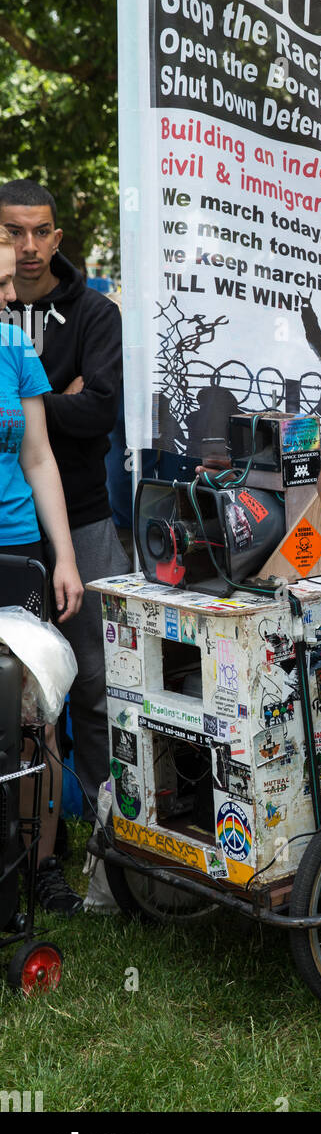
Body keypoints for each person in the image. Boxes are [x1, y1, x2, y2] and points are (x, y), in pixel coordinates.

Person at [0, 180, 129, 839]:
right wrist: (59, 398)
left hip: (80, 517)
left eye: (40, 231)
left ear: (57, 236)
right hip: (12, 529)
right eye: (13, 232)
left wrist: (31, 407)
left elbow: (102, 409)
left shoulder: (95, 313)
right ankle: (30, 832)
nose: (28, 246)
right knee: (19, 691)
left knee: (98, 682)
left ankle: (108, 823)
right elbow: (68, 410)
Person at [0, 224, 85, 913]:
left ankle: (42, 861)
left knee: (35, 714)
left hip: (19, 550)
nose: (8, 300)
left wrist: (65, 557)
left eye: (10, 286)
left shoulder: (14, 345)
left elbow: (37, 458)